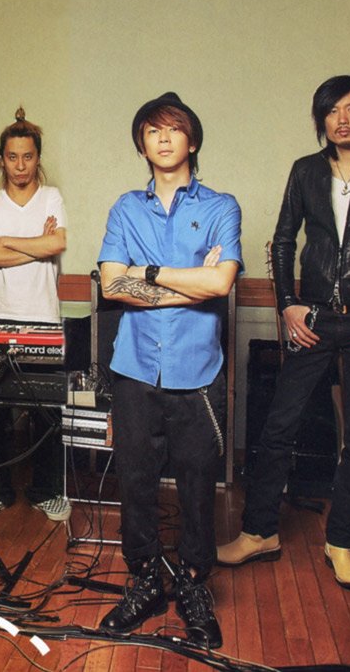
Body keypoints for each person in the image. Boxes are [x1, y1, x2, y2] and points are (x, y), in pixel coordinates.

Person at [217, 74, 350, 591]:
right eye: (332, 111)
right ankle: (259, 532)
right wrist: (288, 305)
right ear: (321, 120)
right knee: (277, 428)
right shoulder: (306, 171)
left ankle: (341, 542)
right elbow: (283, 240)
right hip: (312, 317)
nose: (341, 119)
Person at [96, 92, 241, 647]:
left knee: (198, 483)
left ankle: (194, 586)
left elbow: (221, 282)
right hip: (134, 369)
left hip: (197, 371)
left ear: (192, 141)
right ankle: (144, 583)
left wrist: (149, 272)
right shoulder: (126, 208)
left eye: (174, 129)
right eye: (152, 130)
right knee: (135, 481)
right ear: (141, 145)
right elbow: (112, 284)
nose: (162, 137)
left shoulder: (222, 206)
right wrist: (190, 283)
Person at [0, 107, 71, 522]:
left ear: (37, 157)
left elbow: (56, 245)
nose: (21, 165)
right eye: (13, 157)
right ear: (1, 159)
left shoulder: (52, 197)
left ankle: (46, 491)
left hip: (43, 315)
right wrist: (33, 244)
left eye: (28, 156)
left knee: (47, 410)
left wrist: (7, 240)